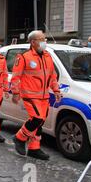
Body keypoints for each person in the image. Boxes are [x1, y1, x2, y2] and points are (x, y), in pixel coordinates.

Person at [10, 30, 62, 160]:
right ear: (33, 42)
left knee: (40, 122)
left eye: (45, 39)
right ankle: (19, 138)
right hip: (30, 95)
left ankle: (34, 148)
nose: (45, 42)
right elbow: (16, 77)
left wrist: (56, 90)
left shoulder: (47, 56)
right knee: (37, 119)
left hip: (44, 96)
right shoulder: (23, 57)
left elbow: (52, 76)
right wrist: (15, 92)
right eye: (41, 39)